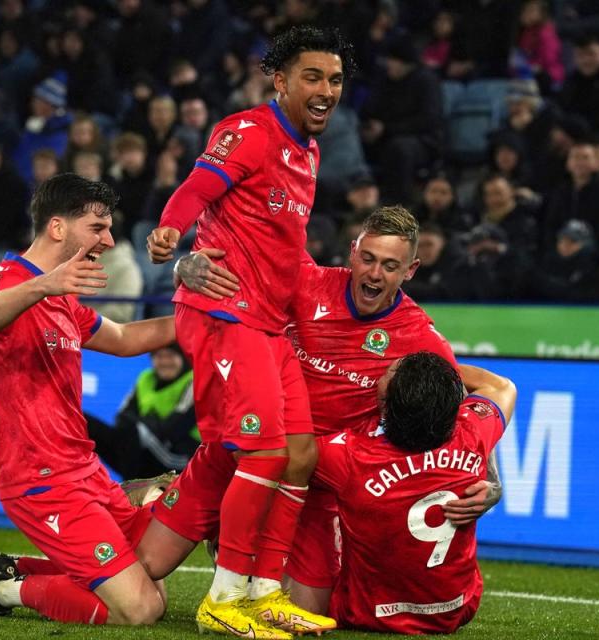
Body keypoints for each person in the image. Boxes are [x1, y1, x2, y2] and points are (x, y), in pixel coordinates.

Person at [141, 206, 502, 615]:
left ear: (410, 270)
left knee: (304, 611)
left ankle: (238, 536)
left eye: (389, 265)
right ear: (352, 252)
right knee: (149, 566)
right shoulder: (303, 280)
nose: (374, 274)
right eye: (367, 259)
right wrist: (185, 267)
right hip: (244, 452)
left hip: (314, 485)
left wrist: (490, 481)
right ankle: (154, 496)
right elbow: (220, 264)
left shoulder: (420, 339)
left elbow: (452, 413)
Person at [145, 25, 355, 638]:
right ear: (281, 80)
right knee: (262, 451)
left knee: (299, 455)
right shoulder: (249, 132)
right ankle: (224, 596)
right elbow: (199, 187)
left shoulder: (308, 152)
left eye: (335, 80)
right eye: (312, 77)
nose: (325, 90)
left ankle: (265, 592)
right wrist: (170, 232)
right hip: (224, 313)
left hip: (269, 323)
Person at [0, 174, 175, 627]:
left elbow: (127, 338)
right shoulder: (5, 279)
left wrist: (211, 318)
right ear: (56, 228)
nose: (108, 240)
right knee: (140, 609)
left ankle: (0, 569)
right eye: (97, 227)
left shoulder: (65, 299)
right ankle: (2, 590)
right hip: (40, 480)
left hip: (85, 474)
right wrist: (43, 285)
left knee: (152, 578)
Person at [315, 354, 515, 634]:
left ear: (388, 403)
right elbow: (501, 387)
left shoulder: (349, 455)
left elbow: (281, 457)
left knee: (310, 503)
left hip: (362, 614)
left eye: (388, 372)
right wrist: (438, 376)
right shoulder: (471, 433)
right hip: (455, 610)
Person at [87, 342, 198, 479]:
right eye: (159, 356)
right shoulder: (146, 378)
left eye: (170, 356)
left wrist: (143, 425)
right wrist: (145, 424)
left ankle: (130, 491)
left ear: (182, 357)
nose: (165, 362)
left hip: (180, 456)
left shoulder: (193, 380)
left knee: (133, 432)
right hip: (142, 448)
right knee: (85, 423)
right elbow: (122, 417)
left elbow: (177, 426)